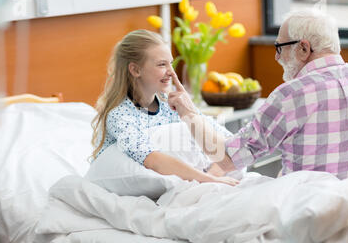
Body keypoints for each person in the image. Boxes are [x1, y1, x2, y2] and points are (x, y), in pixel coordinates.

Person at [168, 8, 348, 179]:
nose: (277, 57)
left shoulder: (292, 95)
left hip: (316, 215)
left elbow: (225, 159)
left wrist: (189, 112)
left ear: (303, 48)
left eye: (279, 48)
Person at [90, 29, 238, 186]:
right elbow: (153, 160)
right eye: (162, 64)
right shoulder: (120, 115)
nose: (172, 73)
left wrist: (190, 111)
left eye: (171, 64)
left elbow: (227, 143)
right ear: (135, 70)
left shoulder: (169, 103)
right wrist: (210, 180)